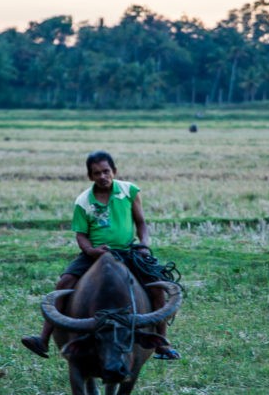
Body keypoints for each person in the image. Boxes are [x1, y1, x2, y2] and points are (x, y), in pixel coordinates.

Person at [21, 150, 181, 360]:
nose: (102, 177)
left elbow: (141, 223)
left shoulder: (129, 191)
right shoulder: (83, 201)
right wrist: (90, 251)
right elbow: (81, 235)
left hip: (128, 252)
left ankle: (162, 343)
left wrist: (143, 245)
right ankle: (43, 339)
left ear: (114, 171)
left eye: (106, 171)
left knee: (157, 287)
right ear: (90, 176)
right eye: (97, 173)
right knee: (64, 283)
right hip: (95, 254)